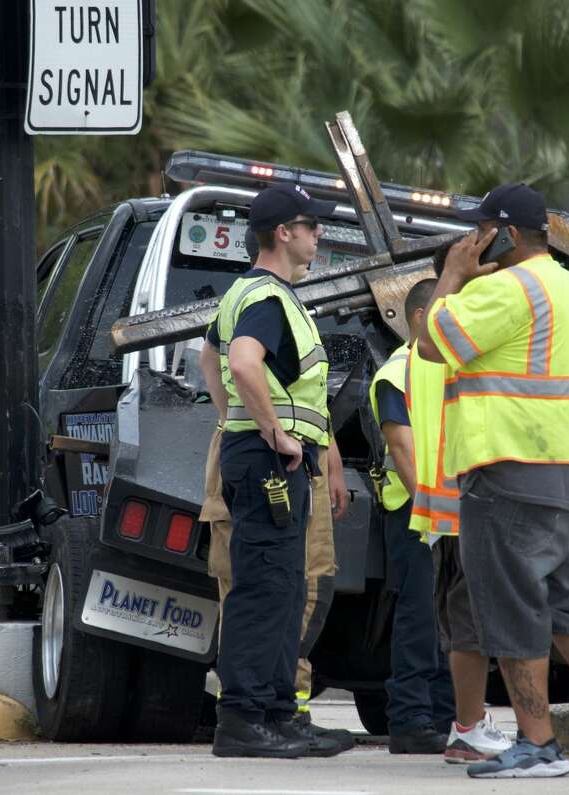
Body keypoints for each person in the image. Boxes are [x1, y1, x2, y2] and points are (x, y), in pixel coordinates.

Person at [419, 183, 569, 778]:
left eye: (481, 230)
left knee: (511, 604)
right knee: (565, 600)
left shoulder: (509, 288)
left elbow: (428, 342)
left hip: (512, 467)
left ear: (506, 233)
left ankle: (538, 744)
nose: (472, 240)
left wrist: (452, 275)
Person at [197, 183, 348, 759]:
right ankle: (242, 721)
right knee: (264, 590)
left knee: (284, 589)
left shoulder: (255, 295)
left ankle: (278, 715)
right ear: (284, 232)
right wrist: (270, 430)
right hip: (268, 459)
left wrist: (235, 414)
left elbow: (212, 358)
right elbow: (239, 360)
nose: (318, 235)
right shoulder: (266, 298)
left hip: (269, 457)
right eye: (312, 226)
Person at [408, 249, 512, 765]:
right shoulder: (459, 332)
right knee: (478, 621)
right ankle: (470, 727)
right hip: (469, 499)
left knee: (462, 622)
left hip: (445, 504)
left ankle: (470, 723)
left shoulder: (424, 342)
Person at [367, 277, 456, 754]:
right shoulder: (397, 373)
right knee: (420, 616)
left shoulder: (442, 368)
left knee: (446, 620)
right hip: (416, 513)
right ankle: (410, 720)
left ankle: (443, 716)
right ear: (421, 317)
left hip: (447, 512)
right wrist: (433, 512)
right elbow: (402, 447)